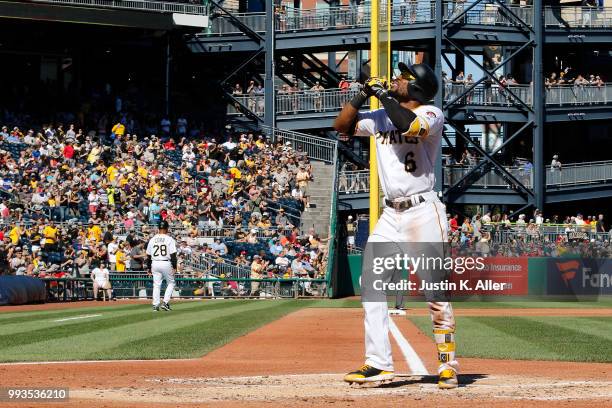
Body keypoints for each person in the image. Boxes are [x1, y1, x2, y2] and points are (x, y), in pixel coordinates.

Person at [334, 62, 458, 389]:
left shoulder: (432, 113)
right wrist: (363, 94)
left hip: (423, 210)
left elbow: (410, 127)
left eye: (405, 77)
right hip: (391, 214)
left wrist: (382, 95)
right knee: (370, 282)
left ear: (417, 88)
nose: (398, 79)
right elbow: (341, 125)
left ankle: (448, 364)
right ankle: (378, 364)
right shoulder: (379, 115)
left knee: (434, 288)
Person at [146, 220, 178, 312]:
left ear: (158, 228)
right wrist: (175, 266)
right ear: (167, 228)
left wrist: (148, 267)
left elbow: (148, 255)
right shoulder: (169, 239)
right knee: (171, 283)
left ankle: (155, 305)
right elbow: (173, 255)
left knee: (156, 284)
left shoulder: (152, 239)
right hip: (165, 262)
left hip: (154, 262)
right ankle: (165, 303)